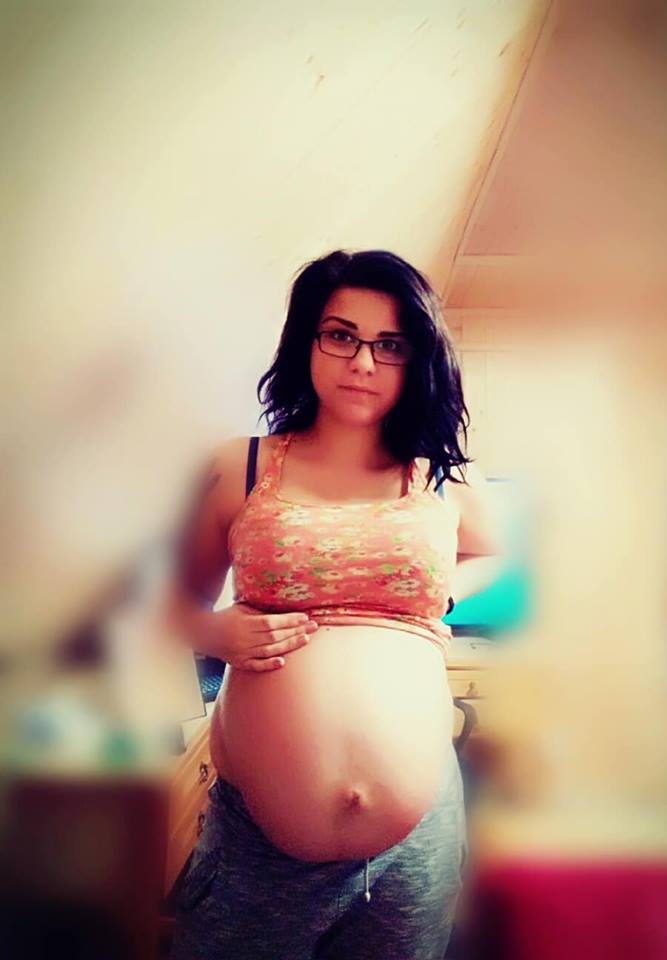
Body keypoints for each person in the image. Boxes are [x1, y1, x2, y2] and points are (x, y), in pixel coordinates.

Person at [165, 249, 501, 959]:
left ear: (418, 359)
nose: (364, 363)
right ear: (307, 341)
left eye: (391, 345)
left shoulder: (439, 478)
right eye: (342, 335)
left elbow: (494, 551)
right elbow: (168, 605)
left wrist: (441, 593)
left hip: (414, 846)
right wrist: (214, 633)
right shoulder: (241, 466)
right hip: (260, 852)